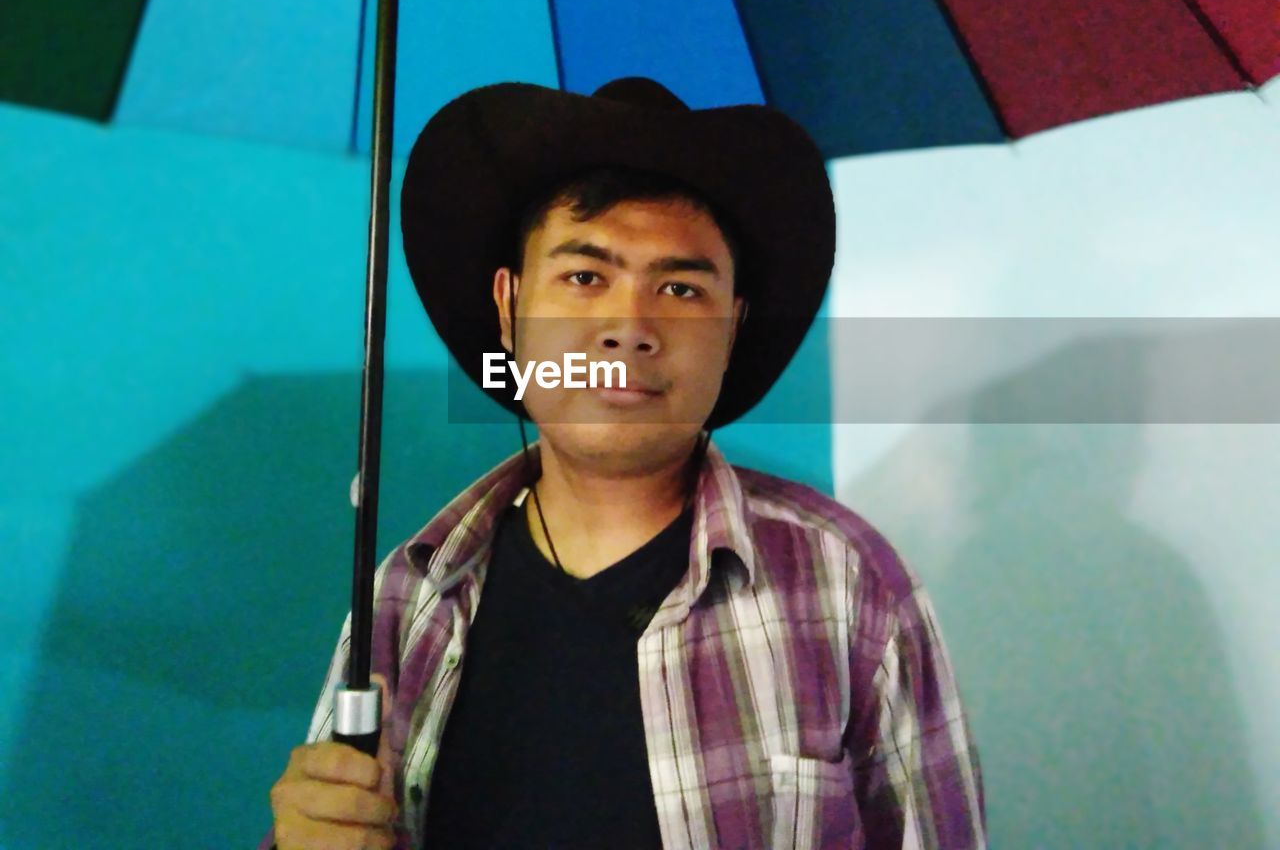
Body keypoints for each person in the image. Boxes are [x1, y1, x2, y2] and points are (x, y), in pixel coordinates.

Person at [262, 77, 986, 850]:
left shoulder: (848, 586)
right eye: (584, 277)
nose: (628, 328)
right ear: (509, 309)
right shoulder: (406, 603)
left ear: (734, 324)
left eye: (679, 286)